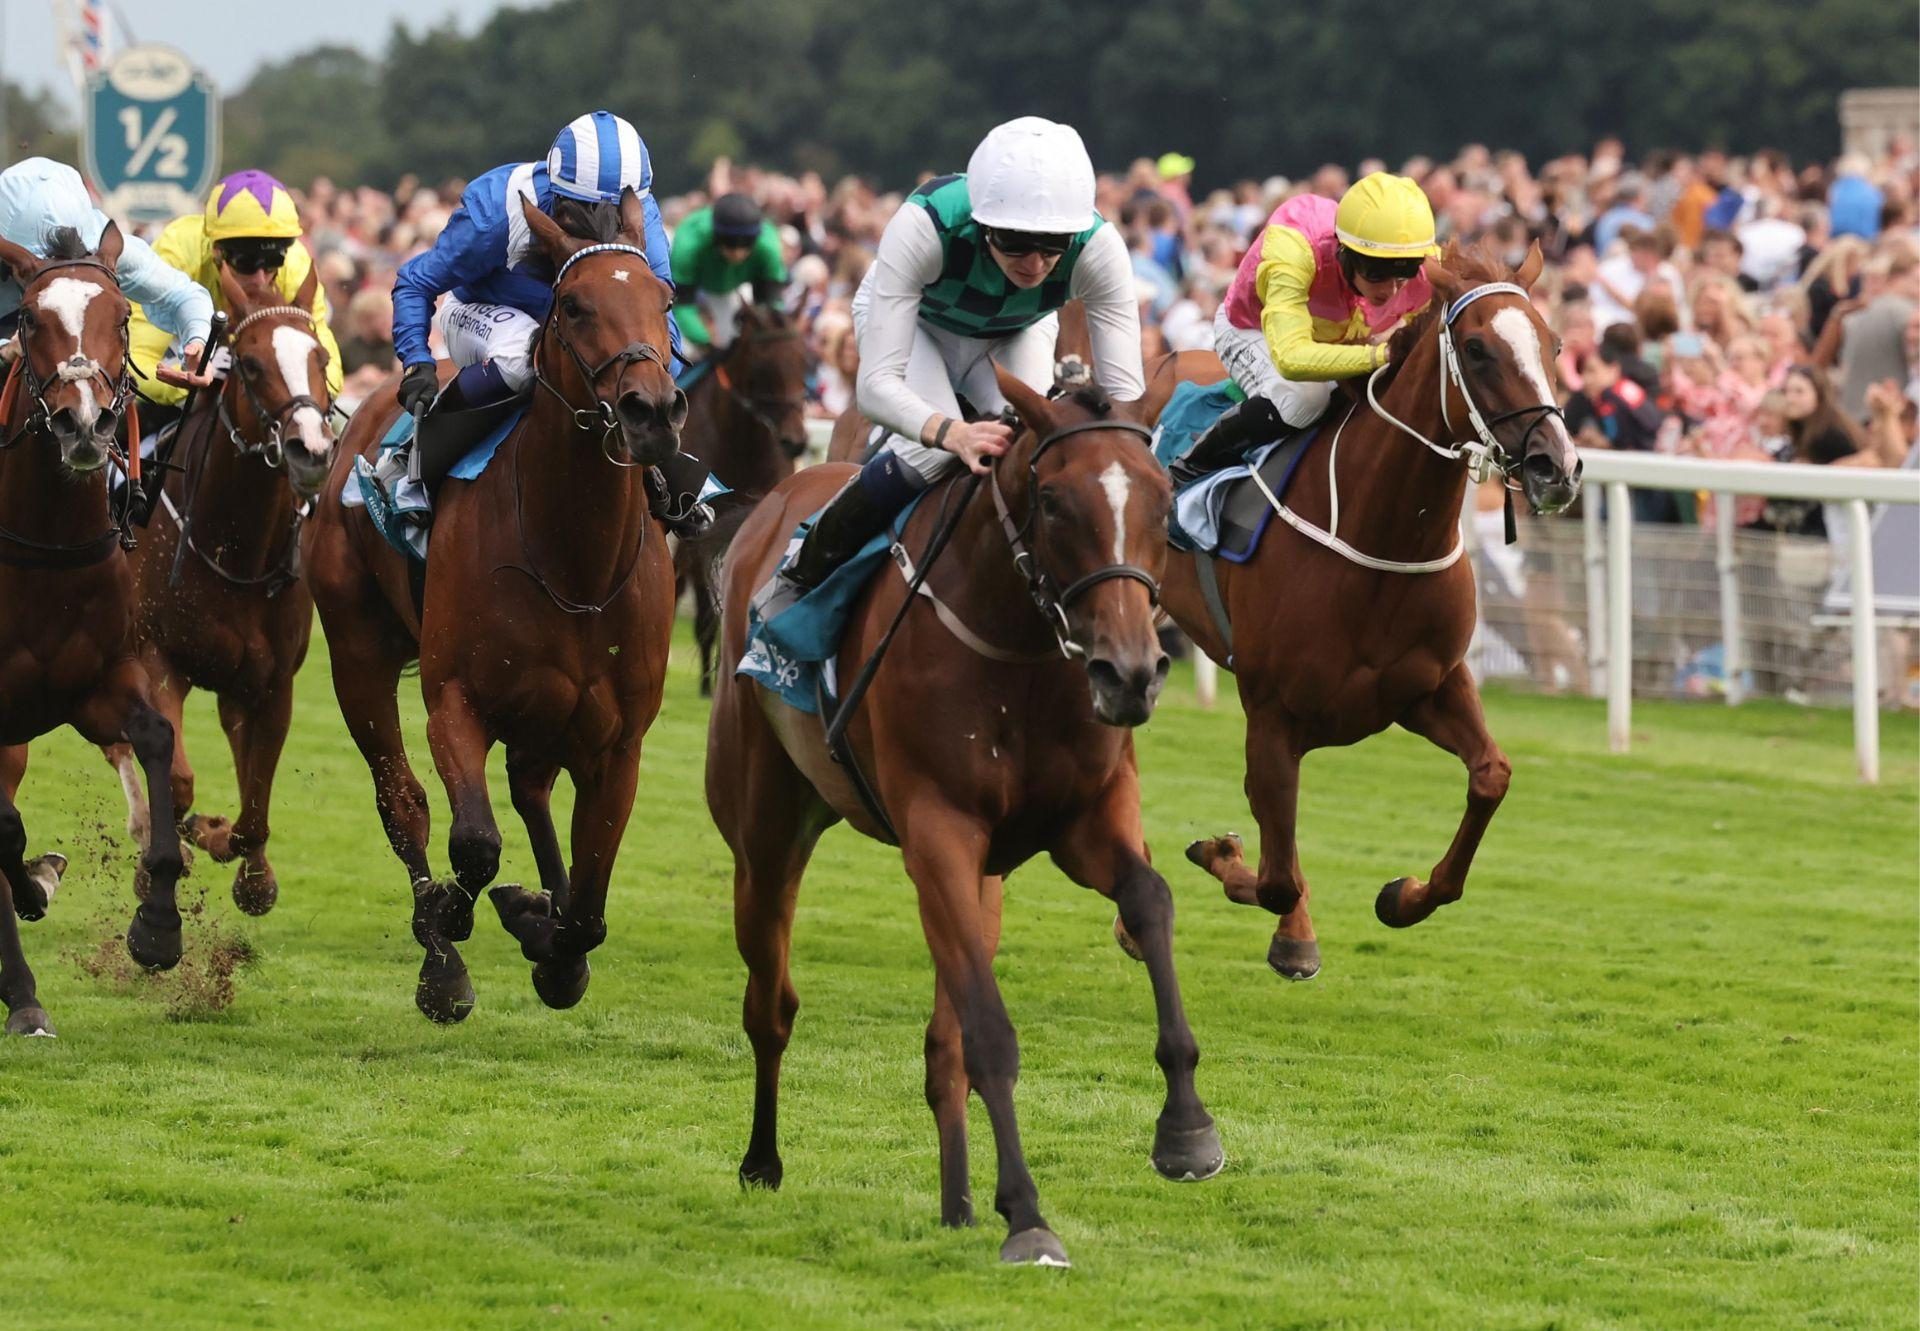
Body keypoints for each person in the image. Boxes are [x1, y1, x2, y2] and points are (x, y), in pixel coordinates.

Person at [768, 115, 1144, 597]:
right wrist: (954, 433)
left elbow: (1125, 399)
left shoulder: (1100, 248)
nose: (1033, 264)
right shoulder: (927, 223)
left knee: (1026, 450)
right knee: (926, 454)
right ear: (983, 224)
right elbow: (876, 387)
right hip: (919, 329)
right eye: (1014, 242)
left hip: (1015, 332)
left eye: (1053, 246)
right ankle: (799, 573)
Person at [389, 110, 709, 531]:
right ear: (558, 193)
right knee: (522, 358)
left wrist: (656, 368)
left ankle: (670, 472)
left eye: (614, 214)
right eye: (587, 211)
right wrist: (418, 361)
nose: (603, 226)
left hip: (578, 325)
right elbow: (416, 281)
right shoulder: (497, 209)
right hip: (480, 313)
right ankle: (416, 458)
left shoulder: (642, 212)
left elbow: (656, 305)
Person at [1171, 171, 1437, 485]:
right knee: (1305, 397)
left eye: (1405, 272)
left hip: (1341, 340)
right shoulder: (1294, 244)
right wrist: (1381, 354)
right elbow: (1291, 358)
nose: (1392, 289)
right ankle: (1188, 469)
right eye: (1376, 272)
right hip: (1254, 330)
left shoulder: (1422, 259)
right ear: (1344, 253)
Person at [127, 170, 343, 417]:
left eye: (273, 260)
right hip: (172, 352)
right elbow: (136, 361)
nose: (261, 278)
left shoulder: (296, 265)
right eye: (246, 262)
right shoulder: (176, 253)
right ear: (217, 252)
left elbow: (329, 365)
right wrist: (186, 382)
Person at [0, 156, 210, 375]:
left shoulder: (103, 250)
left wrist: (196, 344)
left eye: (68, 257)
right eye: (43, 263)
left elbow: (183, 295)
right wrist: (5, 351)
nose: (59, 276)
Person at [670, 191, 788, 358]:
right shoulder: (689, 244)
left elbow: (772, 305)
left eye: (746, 244)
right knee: (687, 353)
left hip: (734, 289)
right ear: (716, 235)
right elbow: (682, 306)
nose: (738, 253)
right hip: (693, 290)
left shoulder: (769, 246)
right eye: (730, 243)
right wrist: (707, 342)